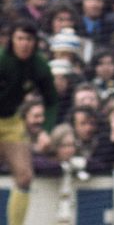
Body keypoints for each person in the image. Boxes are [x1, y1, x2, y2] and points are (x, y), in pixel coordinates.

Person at [0, 20, 58, 225]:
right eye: (20, 38)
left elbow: (51, 101)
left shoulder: (39, 65)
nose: (25, 44)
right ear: (11, 40)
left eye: (29, 39)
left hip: (11, 122)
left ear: (35, 42)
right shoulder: (2, 60)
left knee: (24, 177)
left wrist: (45, 131)